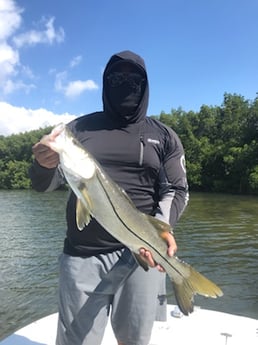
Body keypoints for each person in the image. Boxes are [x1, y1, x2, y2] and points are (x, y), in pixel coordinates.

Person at [29, 50, 189, 345]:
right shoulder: (78, 129)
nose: (125, 83)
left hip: (143, 256)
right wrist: (43, 164)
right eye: (117, 77)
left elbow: (176, 189)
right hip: (82, 257)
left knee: (135, 341)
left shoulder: (165, 136)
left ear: (146, 84)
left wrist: (161, 226)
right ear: (105, 83)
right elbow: (45, 185)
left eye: (134, 78)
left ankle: (183, 279)